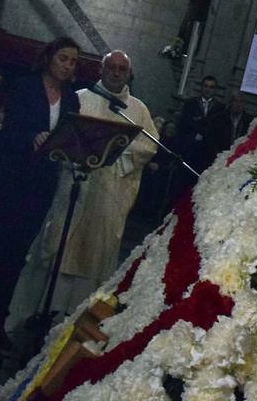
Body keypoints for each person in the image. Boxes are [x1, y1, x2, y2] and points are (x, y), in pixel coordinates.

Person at [0, 37, 79, 353]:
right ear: (49, 58)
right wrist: (32, 137)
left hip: (40, 184)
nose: (68, 66)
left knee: (16, 256)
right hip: (9, 178)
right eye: (63, 58)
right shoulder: (25, 87)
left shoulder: (71, 100)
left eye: (73, 62)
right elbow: (7, 131)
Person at [23, 51, 158, 314]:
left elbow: (148, 145)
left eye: (122, 69)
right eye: (112, 67)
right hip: (76, 185)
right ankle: (45, 312)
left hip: (110, 192)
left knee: (96, 254)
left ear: (129, 74)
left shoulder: (138, 109)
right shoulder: (80, 99)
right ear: (101, 69)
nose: (116, 73)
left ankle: (79, 316)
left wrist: (113, 153)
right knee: (62, 244)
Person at [177, 74, 229, 174]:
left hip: (208, 152)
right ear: (201, 87)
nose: (208, 89)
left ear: (215, 90)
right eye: (206, 86)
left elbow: (220, 131)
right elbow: (183, 125)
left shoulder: (220, 108)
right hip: (190, 149)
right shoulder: (190, 103)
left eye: (211, 87)